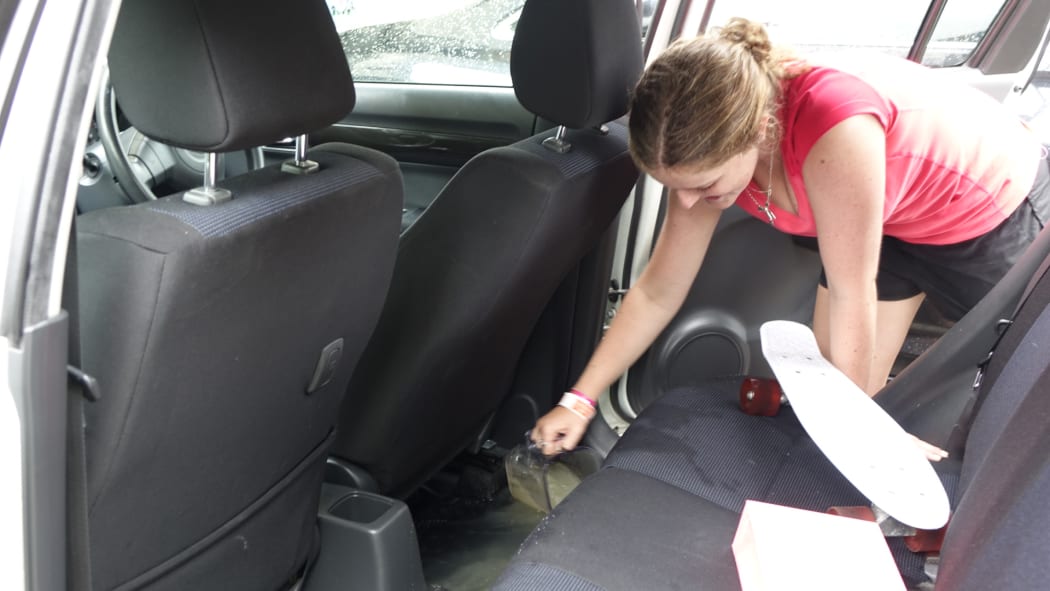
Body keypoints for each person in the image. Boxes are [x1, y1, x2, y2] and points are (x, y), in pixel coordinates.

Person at [531, 17, 1049, 459]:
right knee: (840, 403)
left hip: (982, 206)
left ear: (759, 131)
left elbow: (851, 292)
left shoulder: (836, 128)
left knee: (1025, 373)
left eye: (704, 186)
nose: (686, 203)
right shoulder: (697, 157)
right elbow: (658, 290)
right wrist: (580, 399)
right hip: (885, 220)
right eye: (674, 188)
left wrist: (859, 426)